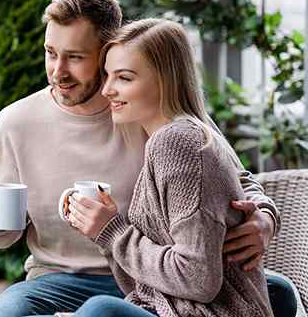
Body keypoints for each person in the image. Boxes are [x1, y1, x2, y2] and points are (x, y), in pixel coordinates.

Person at [0, 0, 294, 317]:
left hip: (156, 273)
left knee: (276, 290)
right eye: (51, 53)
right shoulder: (16, 122)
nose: (58, 71)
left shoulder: (149, 109)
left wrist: (265, 218)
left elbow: (235, 179)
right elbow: (1, 235)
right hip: (59, 278)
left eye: (75, 57)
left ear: (106, 53)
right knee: (7, 312)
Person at [63, 18, 273, 317]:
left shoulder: (177, 142)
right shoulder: (192, 132)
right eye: (107, 76)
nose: (106, 89)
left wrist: (111, 232)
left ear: (165, 80)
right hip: (175, 307)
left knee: (100, 310)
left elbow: (198, 280)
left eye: (124, 77)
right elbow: (143, 285)